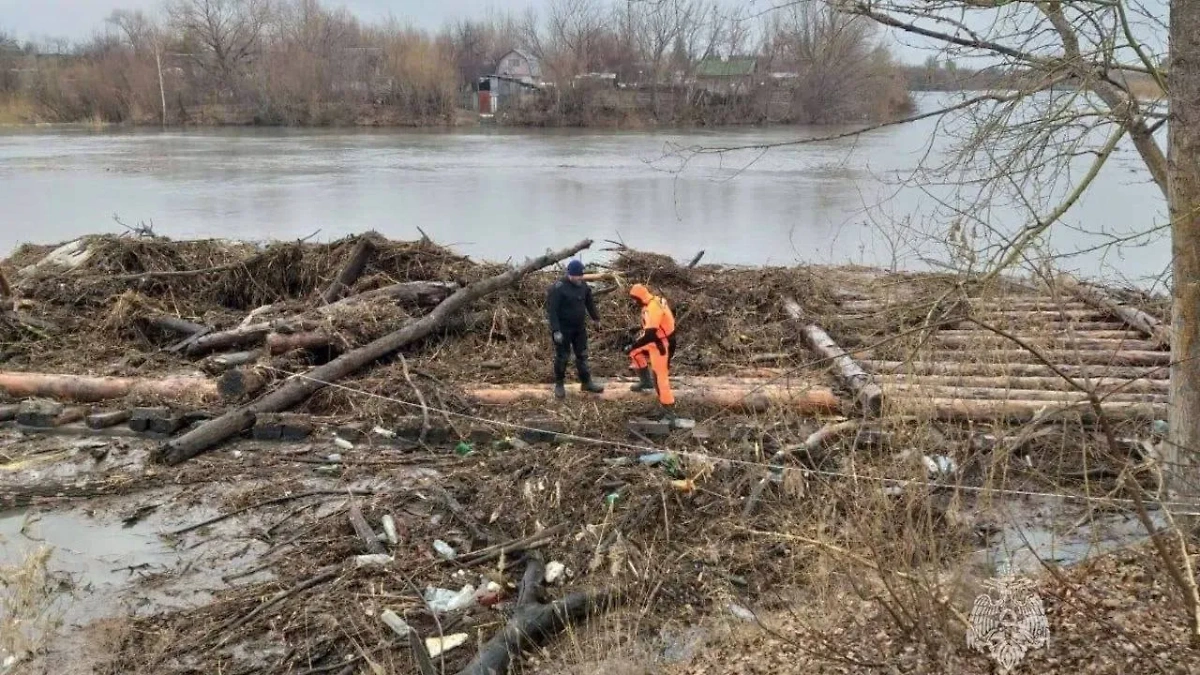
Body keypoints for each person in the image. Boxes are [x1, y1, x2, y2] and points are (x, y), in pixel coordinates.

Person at [546, 259, 605, 399]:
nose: (579, 278)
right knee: (563, 357)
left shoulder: (583, 286)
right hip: (563, 330)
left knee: (582, 355)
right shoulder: (558, 288)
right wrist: (556, 331)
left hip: (579, 329)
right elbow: (552, 311)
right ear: (570, 274)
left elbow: (589, 303)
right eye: (577, 276)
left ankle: (586, 382)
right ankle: (559, 385)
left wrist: (596, 319)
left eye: (581, 276)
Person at [627, 283, 675, 416]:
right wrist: (638, 329)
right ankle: (646, 382)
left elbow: (649, 335)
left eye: (635, 300)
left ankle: (667, 407)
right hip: (656, 340)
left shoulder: (653, 308)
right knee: (635, 353)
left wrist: (634, 344)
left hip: (662, 345)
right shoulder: (652, 301)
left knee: (660, 377)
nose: (634, 302)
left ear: (639, 298)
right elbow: (653, 325)